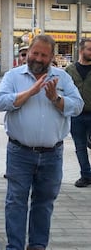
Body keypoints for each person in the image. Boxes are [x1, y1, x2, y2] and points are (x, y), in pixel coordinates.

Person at [0, 35, 83, 250]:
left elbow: (78, 105)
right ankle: (14, 247)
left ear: (52, 57)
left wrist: (56, 99)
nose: (38, 58)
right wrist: (29, 92)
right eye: (35, 53)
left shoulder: (63, 78)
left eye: (44, 55)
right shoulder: (13, 76)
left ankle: (37, 245)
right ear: (28, 52)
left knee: (44, 203)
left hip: (52, 154)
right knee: (16, 202)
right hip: (20, 152)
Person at [65, 37, 91, 187]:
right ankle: (86, 175)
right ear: (81, 51)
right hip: (76, 115)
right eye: (89, 49)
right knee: (80, 147)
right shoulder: (70, 70)